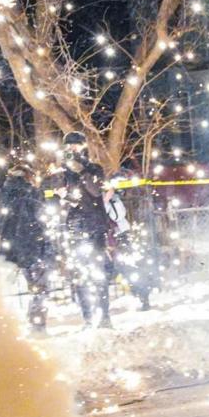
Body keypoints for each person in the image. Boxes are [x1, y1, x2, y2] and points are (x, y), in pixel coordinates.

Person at [57, 131, 114, 329]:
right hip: (76, 227)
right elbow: (72, 200)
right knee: (80, 275)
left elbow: (95, 191)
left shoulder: (94, 169)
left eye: (75, 145)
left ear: (83, 146)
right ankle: (88, 318)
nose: (71, 149)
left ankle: (104, 317)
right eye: (68, 146)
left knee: (99, 272)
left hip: (95, 227)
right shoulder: (64, 173)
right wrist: (64, 196)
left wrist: (82, 172)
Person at [0, 163, 51, 335]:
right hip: (32, 247)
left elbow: (0, 219)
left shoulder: (3, 194)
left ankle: (3, 327)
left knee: (7, 290)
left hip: (10, 249)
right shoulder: (33, 192)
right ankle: (37, 326)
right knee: (39, 288)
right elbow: (41, 218)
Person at [104, 175, 156, 310]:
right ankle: (141, 292)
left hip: (120, 237)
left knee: (128, 268)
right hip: (109, 238)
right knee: (121, 268)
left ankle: (143, 294)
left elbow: (118, 216)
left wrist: (107, 200)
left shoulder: (114, 201)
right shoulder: (99, 199)